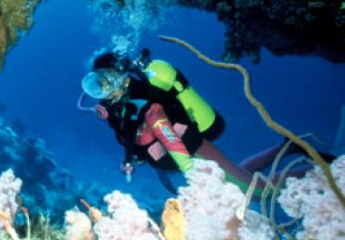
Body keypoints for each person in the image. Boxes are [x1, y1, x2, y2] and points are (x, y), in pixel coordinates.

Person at [79, 49, 335, 193]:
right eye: (96, 86)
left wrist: (191, 175)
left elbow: (167, 135)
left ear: (122, 78)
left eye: (105, 82)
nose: (101, 92)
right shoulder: (121, 107)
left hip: (193, 149)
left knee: (260, 191)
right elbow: (134, 138)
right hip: (185, 153)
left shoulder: (146, 103)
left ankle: (329, 172)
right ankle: (286, 148)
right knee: (241, 174)